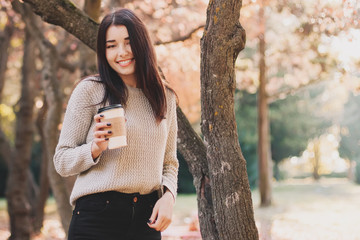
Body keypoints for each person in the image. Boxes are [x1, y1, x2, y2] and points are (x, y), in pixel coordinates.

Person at [53, 8, 179, 240]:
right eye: (111, 45)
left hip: (146, 220)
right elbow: (62, 161)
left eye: (128, 42)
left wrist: (169, 197)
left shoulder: (165, 96)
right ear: (103, 51)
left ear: (142, 44)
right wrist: (94, 148)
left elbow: (170, 162)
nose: (121, 52)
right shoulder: (90, 91)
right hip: (96, 218)